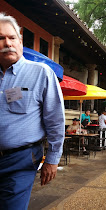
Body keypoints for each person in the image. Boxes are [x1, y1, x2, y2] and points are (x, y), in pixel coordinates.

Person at [0, 13, 65, 209]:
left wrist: (52, 160)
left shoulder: (41, 73)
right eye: (0, 38)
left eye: (12, 37)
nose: (7, 43)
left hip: (20, 160)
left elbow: (55, 120)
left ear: (20, 41)